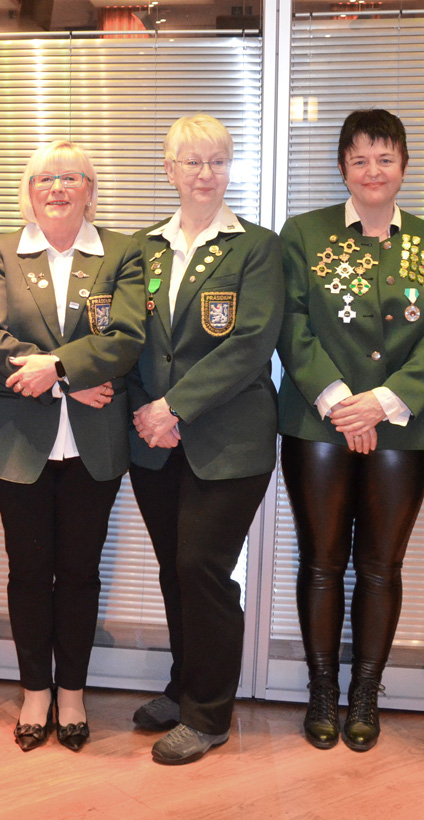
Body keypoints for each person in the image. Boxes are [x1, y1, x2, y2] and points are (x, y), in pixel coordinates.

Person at [276, 109, 424, 752]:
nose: (372, 170)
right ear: (342, 169)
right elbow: (290, 324)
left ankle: (365, 695)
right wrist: (339, 402)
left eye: (385, 158)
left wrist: (384, 402)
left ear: (404, 166)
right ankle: (323, 691)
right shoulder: (304, 234)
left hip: (403, 427)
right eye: (359, 159)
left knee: (382, 566)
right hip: (317, 424)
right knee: (323, 562)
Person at [0, 141, 144, 752]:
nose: (57, 188)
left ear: (90, 191)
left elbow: (127, 337)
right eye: (44, 179)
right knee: (27, 572)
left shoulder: (122, 252)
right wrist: (68, 382)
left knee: (78, 572)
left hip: (94, 445)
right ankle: (35, 691)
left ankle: (72, 690)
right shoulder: (0, 253)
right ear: (30, 191)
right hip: (21, 440)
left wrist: (60, 370)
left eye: (71, 178)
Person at [126, 114, 284, 765]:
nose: (204, 173)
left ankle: (209, 713)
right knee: (175, 572)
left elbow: (250, 346)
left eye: (216, 161)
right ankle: (183, 683)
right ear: (169, 170)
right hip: (153, 442)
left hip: (230, 441)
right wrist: (137, 404)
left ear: (229, 170)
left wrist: (175, 407)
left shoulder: (256, 247)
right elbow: (125, 339)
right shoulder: (142, 248)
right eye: (191, 162)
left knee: (202, 569)